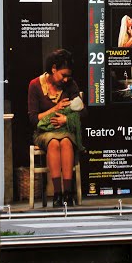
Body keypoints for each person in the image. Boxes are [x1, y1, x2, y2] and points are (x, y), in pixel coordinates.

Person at [28, 49, 83, 208]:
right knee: (53, 142)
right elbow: (32, 119)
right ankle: (57, 194)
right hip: (44, 132)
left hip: (65, 130)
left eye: (68, 76)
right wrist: (55, 108)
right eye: (63, 75)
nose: (66, 79)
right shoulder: (35, 85)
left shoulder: (70, 85)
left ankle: (68, 193)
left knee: (65, 142)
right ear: (53, 69)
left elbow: (83, 111)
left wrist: (67, 118)